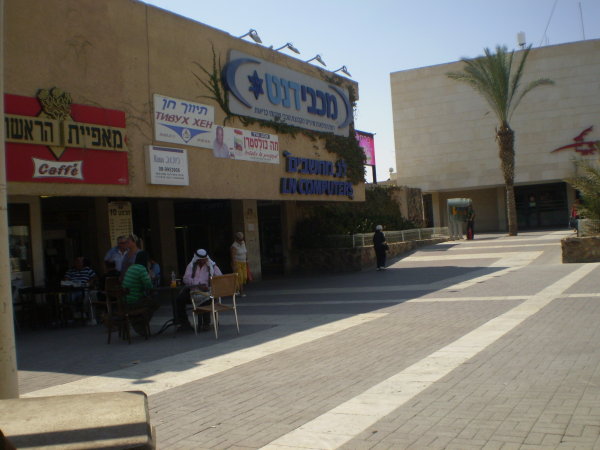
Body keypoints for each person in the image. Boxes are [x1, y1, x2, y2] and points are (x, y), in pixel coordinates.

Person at [174, 248, 222, 331]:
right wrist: (197, 284)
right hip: (193, 290)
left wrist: (210, 285)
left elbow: (220, 277)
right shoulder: (191, 266)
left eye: (204, 259)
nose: (203, 261)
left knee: (207, 298)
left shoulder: (211, 266)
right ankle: (184, 323)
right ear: (197, 259)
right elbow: (186, 279)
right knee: (179, 299)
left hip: (207, 291)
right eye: (201, 260)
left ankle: (206, 323)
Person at [121, 250, 159, 336]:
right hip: (134, 301)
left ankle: (137, 321)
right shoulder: (141, 269)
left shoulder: (131, 267)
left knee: (148, 301)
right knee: (155, 303)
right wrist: (149, 270)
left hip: (125, 301)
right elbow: (149, 285)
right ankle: (139, 324)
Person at [230, 231, 248, 297]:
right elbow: (233, 257)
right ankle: (241, 292)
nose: (241, 240)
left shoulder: (243, 243)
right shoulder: (234, 246)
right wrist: (234, 265)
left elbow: (245, 252)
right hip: (237, 263)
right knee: (240, 277)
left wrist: (247, 259)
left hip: (244, 262)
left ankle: (236, 289)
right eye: (240, 239)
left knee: (245, 277)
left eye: (242, 239)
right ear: (236, 239)